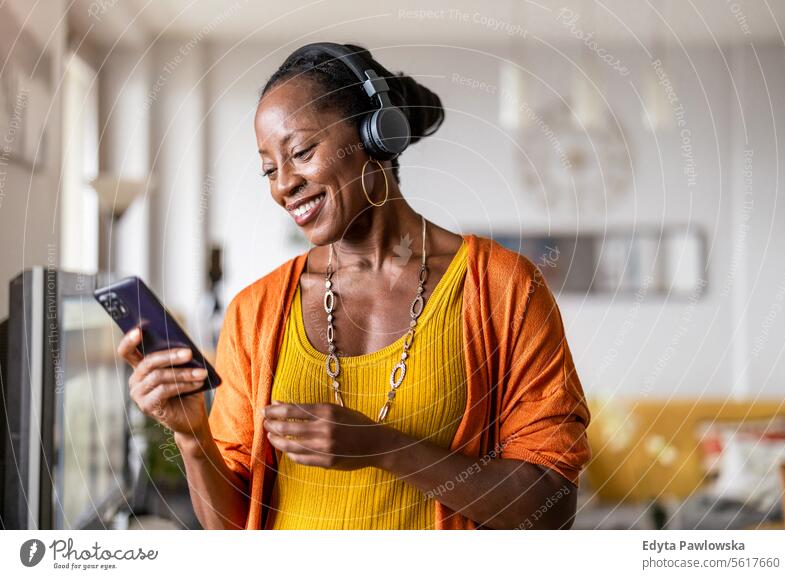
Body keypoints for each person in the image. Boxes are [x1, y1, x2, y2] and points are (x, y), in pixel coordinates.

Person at [117, 42, 591, 530]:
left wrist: (384, 447)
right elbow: (229, 528)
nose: (283, 186)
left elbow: (551, 507)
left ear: (375, 136)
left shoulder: (502, 288)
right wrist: (193, 435)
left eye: (301, 152)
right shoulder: (253, 312)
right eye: (268, 169)